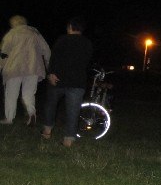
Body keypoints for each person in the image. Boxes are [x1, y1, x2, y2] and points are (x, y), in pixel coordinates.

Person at [41, 17, 93, 147]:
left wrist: (51, 73)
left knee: (51, 105)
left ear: (70, 27)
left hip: (58, 79)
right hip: (78, 81)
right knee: (73, 111)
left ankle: (47, 131)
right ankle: (68, 139)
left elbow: (54, 58)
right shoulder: (87, 43)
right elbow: (87, 62)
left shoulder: (62, 40)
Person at [0, 15, 51, 126]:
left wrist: (1, 66)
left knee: (11, 94)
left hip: (14, 67)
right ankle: (31, 113)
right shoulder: (35, 33)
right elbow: (46, 50)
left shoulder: (12, 33)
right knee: (28, 94)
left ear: (14, 23)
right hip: (33, 68)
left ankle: (9, 118)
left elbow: (4, 53)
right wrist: (47, 64)